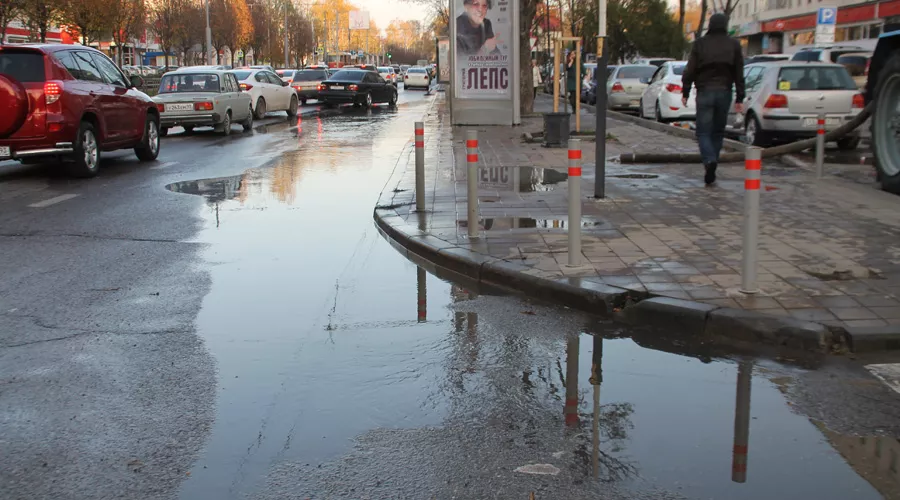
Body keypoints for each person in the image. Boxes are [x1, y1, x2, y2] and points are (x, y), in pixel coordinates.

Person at [682, 13, 745, 185]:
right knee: (718, 132)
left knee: (703, 132)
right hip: (725, 92)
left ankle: (709, 161)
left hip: (704, 92)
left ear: (710, 25)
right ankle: (712, 163)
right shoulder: (734, 45)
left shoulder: (700, 44)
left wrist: (685, 91)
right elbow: (739, 73)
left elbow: (690, 70)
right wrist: (740, 97)